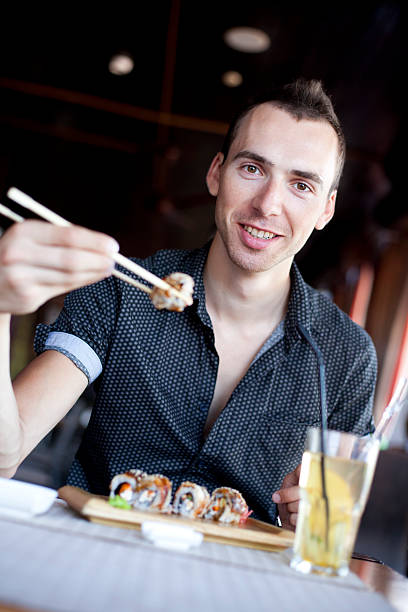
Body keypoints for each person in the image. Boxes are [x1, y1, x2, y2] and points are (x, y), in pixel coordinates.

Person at [0, 78, 377, 529]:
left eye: (301, 185)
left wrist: (320, 520)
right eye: (253, 169)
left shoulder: (346, 355)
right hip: (98, 566)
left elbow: (341, 525)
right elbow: (7, 453)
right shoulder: (120, 290)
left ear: (326, 211)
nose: (268, 205)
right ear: (216, 172)